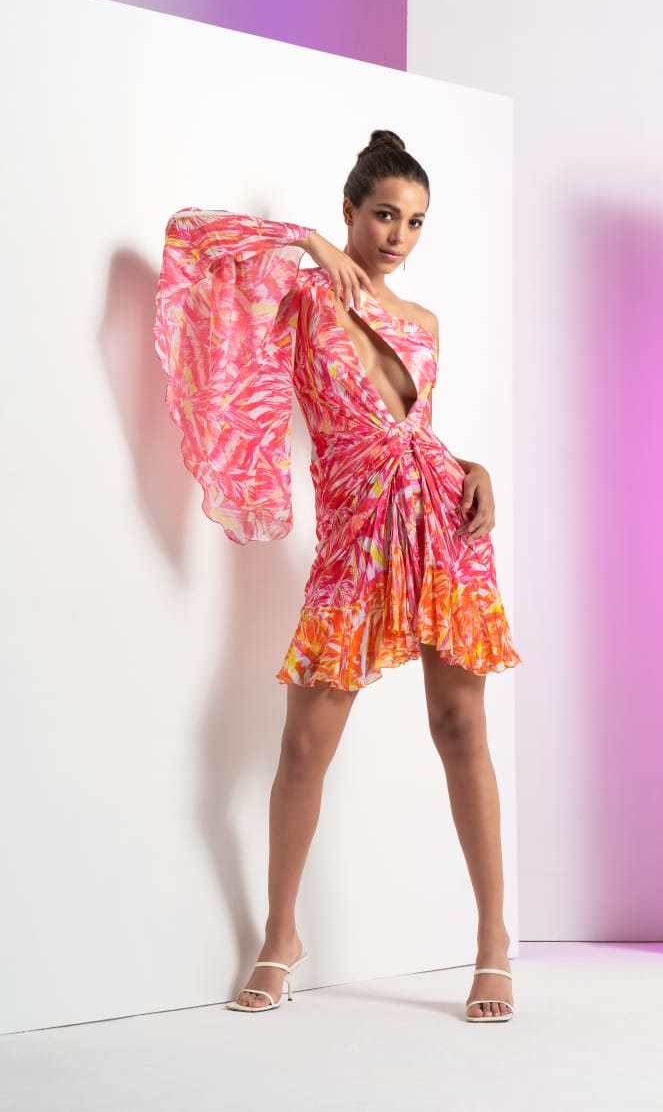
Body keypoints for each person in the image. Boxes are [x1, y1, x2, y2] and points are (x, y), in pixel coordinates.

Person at [153, 129, 520, 1022]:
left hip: (442, 523)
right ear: (350, 211)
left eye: (415, 223)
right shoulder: (302, 295)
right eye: (384, 215)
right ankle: (281, 935)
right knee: (304, 748)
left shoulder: (425, 324)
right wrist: (309, 245)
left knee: (461, 728)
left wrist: (472, 467)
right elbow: (194, 233)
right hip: (355, 542)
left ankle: (493, 943)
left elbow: (411, 432)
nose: (398, 236)